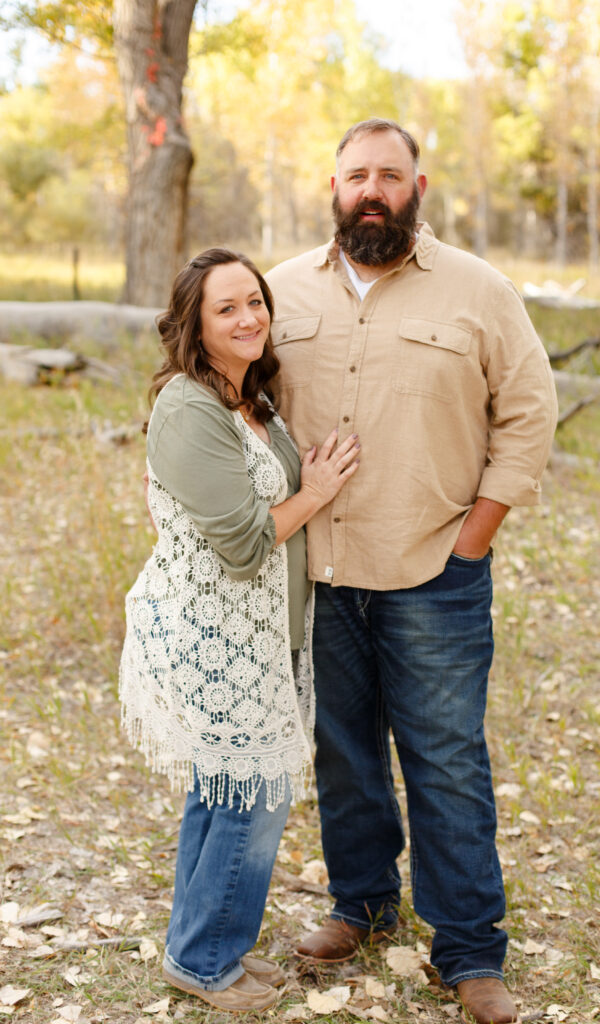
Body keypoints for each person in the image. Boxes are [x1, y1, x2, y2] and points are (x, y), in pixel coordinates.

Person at [265, 119, 558, 1024]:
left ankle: (469, 952)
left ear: (417, 186)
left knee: (446, 762)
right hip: (323, 568)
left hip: (435, 565)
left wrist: (473, 536)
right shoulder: (277, 290)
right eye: (357, 175)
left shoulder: (479, 290)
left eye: (389, 175)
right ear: (333, 185)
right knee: (344, 754)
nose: (372, 191)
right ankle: (360, 905)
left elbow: (529, 412)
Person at [119, 247, 360, 1013]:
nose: (248, 316)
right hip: (213, 637)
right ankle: (206, 962)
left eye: (254, 301)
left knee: (223, 792)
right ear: (193, 323)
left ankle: (199, 950)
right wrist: (317, 490)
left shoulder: (248, 398)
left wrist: (304, 476)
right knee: (251, 801)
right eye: (226, 308)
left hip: (259, 636)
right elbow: (245, 543)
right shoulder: (188, 406)